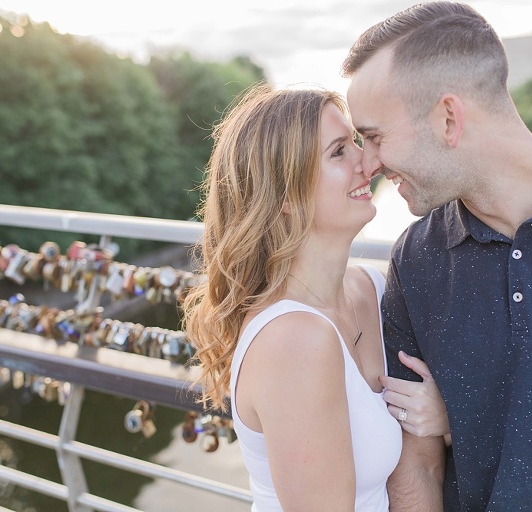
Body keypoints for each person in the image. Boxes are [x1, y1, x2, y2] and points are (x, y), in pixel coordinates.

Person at [342, 2, 532, 511]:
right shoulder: (416, 259)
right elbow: (417, 464)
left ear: (449, 119)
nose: (366, 163)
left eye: (374, 137)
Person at [183, 84, 449, 511]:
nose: (369, 161)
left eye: (356, 143)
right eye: (339, 151)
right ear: (286, 196)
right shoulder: (294, 340)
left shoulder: (374, 288)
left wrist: (445, 417)